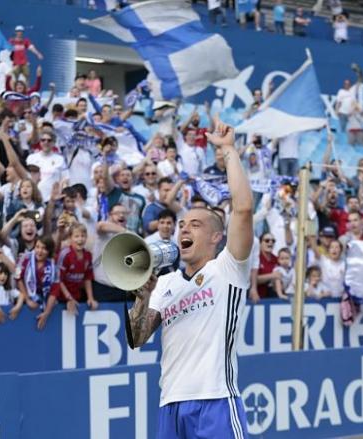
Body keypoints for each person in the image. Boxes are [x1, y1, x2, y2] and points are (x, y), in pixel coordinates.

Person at [126, 118, 253, 438]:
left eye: (195, 225)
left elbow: (243, 209)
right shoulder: (165, 283)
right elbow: (137, 338)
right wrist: (142, 296)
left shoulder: (228, 268)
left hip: (216, 401)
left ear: (215, 237)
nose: (184, 228)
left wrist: (228, 152)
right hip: (171, 403)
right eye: (183, 224)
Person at [13, 236, 58, 328]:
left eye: (44, 248)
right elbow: (18, 278)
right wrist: (28, 300)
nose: (39, 251)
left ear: (49, 251)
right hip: (25, 301)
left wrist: (46, 313)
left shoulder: (54, 266)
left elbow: (54, 291)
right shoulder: (25, 258)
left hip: (45, 303)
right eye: (37, 247)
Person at [256, 232, 279, 299]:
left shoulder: (277, 259)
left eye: (273, 241)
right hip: (257, 298)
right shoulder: (256, 258)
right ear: (260, 243)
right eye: (267, 240)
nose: (270, 242)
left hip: (274, 299)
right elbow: (251, 280)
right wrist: (272, 276)